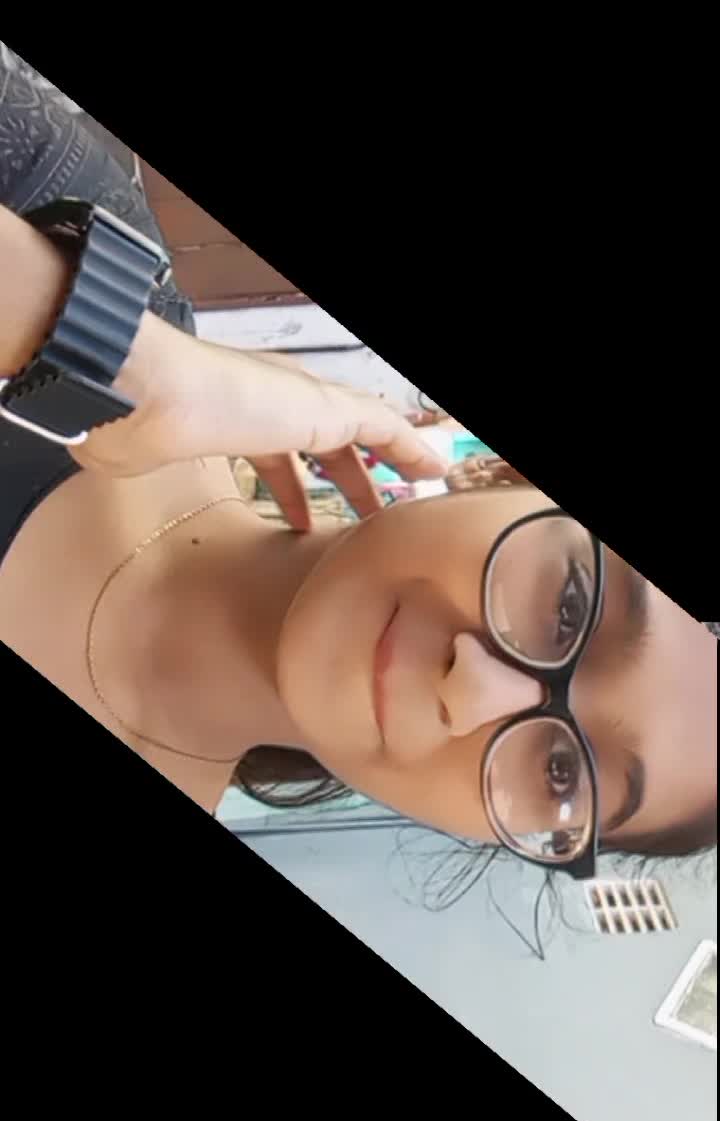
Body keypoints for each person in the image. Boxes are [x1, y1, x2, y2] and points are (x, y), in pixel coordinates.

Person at [0, 54, 716, 881]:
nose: (471, 691)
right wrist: (95, 344)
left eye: (562, 773)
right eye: (570, 601)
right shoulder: (84, 228)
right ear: (502, 475)